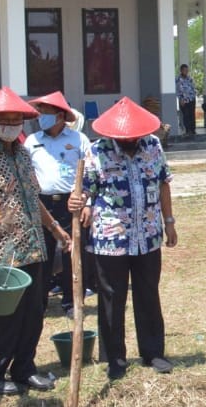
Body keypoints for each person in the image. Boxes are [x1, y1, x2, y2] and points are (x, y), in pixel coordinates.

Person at [0, 88, 70, 396]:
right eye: (5, 120)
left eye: (16, 120)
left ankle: (24, 368)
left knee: (33, 313)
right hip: (1, 252)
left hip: (33, 248)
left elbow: (33, 199)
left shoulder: (22, 154)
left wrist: (54, 228)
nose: (11, 125)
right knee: (2, 317)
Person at [70, 97, 177, 380]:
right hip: (111, 240)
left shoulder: (153, 146)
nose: (131, 140)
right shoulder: (97, 151)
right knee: (111, 298)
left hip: (148, 235)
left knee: (148, 294)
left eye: (135, 136)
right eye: (125, 136)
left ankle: (153, 352)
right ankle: (114, 358)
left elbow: (163, 184)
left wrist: (169, 222)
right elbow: (85, 190)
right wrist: (80, 202)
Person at [23, 91, 94, 318]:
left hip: (70, 203)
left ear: (61, 116)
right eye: (40, 112)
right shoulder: (32, 141)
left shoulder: (79, 140)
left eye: (46, 113)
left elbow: (91, 173)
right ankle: (39, 303)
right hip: (41, 204)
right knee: (41, 255)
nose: (41, 117)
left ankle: (72, 302)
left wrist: (86, 201)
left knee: (72, 254)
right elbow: (25, 173)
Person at [176, 64, 197, 137]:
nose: (186, 72)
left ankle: (193, 130)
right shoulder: (178, 79)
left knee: (192, 115)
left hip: (191, 99)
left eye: (187, 70)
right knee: (186, 115)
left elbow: (193, 88)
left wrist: (194, 96)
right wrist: (181, 99)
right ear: (181, 71)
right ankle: (188, 130)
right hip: (184, 101)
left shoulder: (190, 78)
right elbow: (178, 90)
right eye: (185, 70)